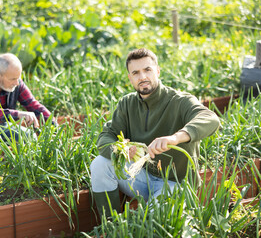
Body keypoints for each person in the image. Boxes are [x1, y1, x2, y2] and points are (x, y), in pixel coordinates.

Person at [90, 48, 220, 218]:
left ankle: (154, 212)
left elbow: (210, 119)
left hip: (174, 183)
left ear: (157, 71)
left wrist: (175, 138)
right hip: (140, 176)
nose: (142, 77)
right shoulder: (127, 104)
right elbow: (106, 135)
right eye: (135, 73)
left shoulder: (180, 101)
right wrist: (119, 150)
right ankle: (111, 225)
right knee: (100, 164)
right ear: (130, 78)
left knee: (153, 224)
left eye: (147, 70)